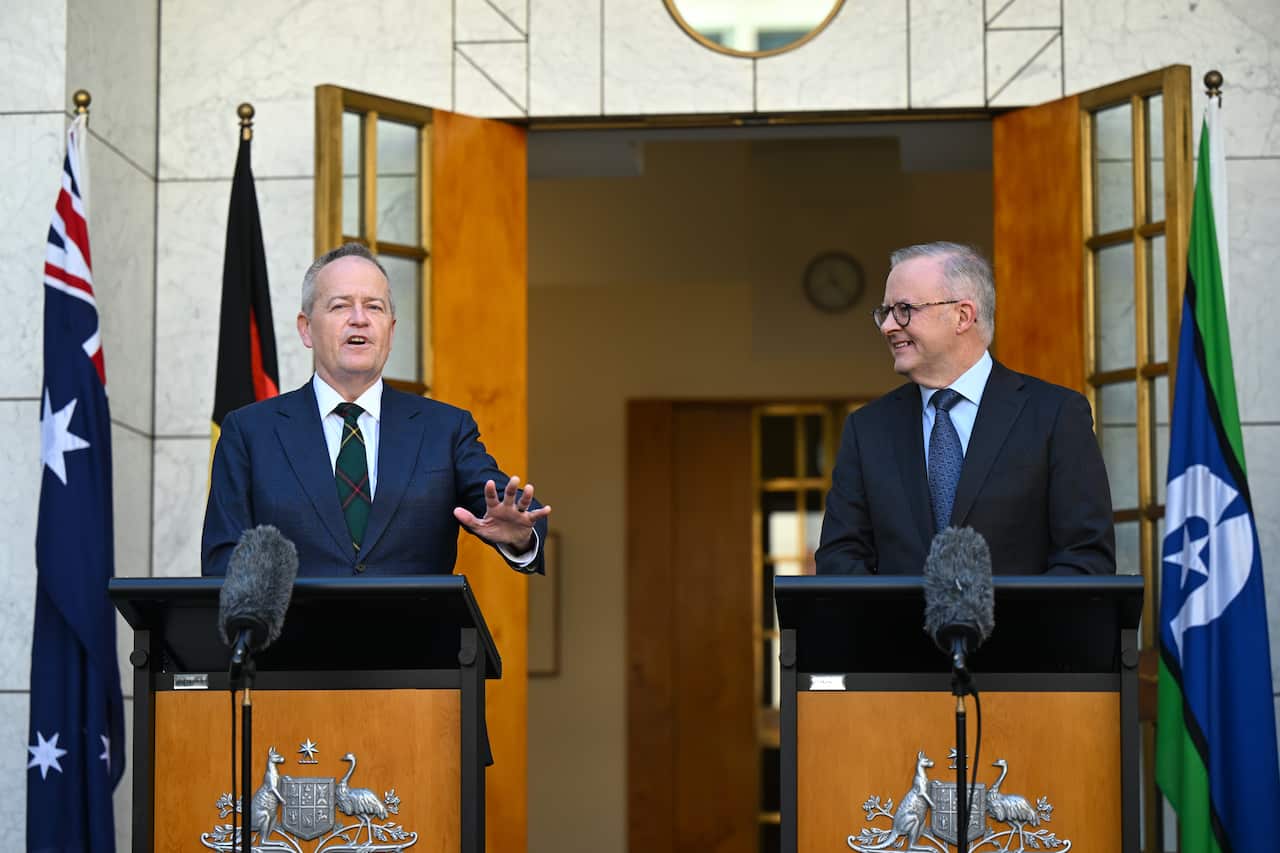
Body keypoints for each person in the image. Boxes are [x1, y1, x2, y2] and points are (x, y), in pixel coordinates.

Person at [202, 242, 550, 577]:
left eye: (374, 307)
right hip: (293, 637)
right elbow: (222, 564)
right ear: (306, 329)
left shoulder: (445, 430)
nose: (359, 319)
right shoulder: (249, 432)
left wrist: (520, 537)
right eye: (340, 306)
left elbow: (508, 509)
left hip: (414, 637)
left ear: (391, 330)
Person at [815, 242, 1114, 575]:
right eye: (885, 313)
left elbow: (1085, 558)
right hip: (895, 628)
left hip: (1023, 628)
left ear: (963, 315)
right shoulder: (867, 429)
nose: (888, 326)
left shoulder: (1055, 416)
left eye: (903, 309)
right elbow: (839, 560)